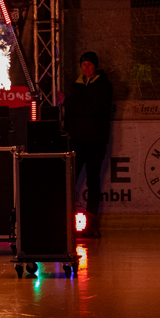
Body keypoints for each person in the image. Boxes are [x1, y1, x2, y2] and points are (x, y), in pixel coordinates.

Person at [65, 50, 113, 236]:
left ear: (95, 66)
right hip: (77, 140)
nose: (86, 67)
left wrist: (68, 102)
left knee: (93, 180)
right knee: (71, 179)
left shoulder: (104, 85)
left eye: (90, 64)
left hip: (95, 141)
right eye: (84, 64)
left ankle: (91, 219)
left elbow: (91, 109)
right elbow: (73, 112)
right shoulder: (76, 84)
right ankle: (67, 219)